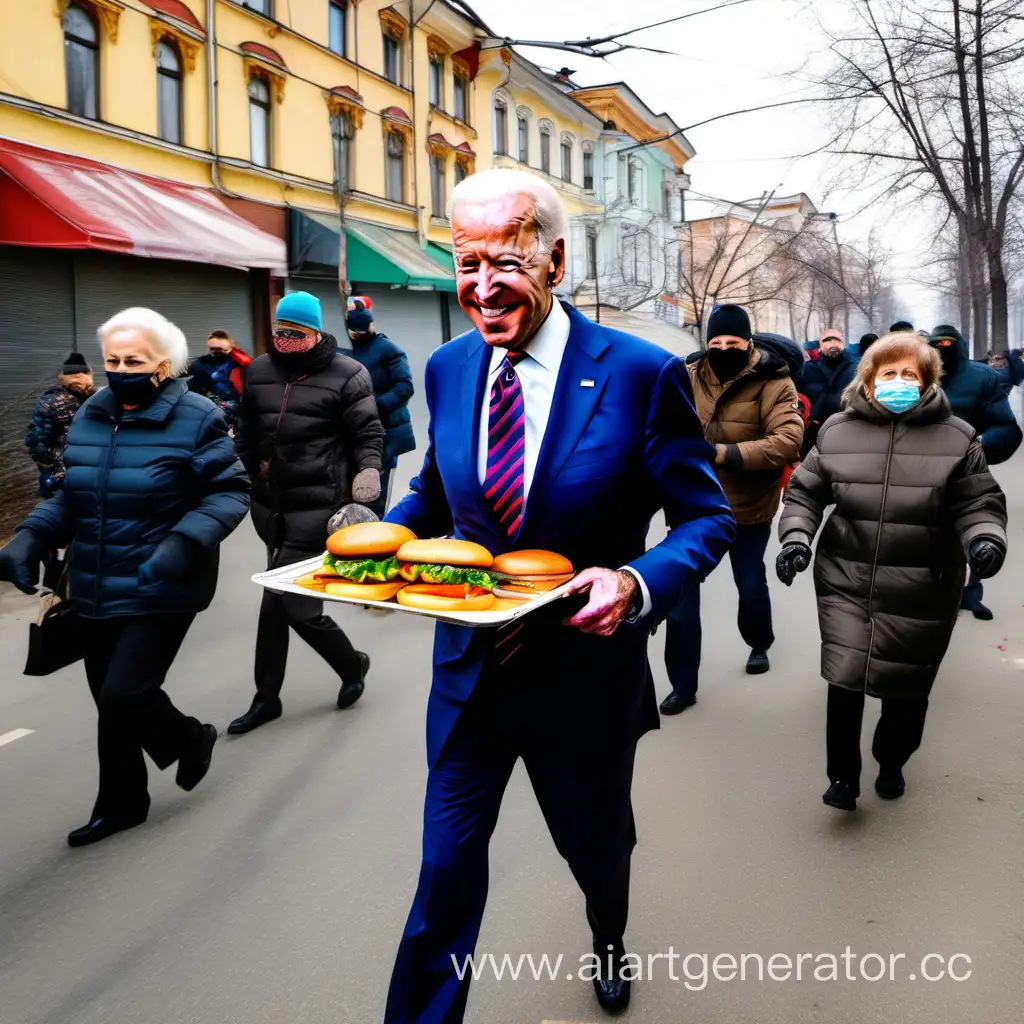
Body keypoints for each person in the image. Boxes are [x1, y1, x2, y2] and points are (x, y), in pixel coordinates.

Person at [381, 169, 734, 1022]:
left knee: (595, 848)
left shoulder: (641, 375)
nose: (482, 285)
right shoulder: (449, 367)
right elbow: (436, 492)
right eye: (466, 263)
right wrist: (376, 541)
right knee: (446, 873)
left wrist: (635, 578)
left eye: (505, 260)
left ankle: (608, 930)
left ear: (556, 258)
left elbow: (705, 518)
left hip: (583, 678)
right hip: (470, 675)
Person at [0, 308, 250, 846]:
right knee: (108, 701)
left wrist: (184, 543)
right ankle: (121, 802)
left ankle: (189, 738)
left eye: (133, 360)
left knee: (123, 694)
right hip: (92, 578)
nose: (119, 369)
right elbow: (72, 493)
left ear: (164, 363)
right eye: (111, 359)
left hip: (165, 581)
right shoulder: (92, 410)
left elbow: (229, 492)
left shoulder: (199, 414)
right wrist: (29, 536)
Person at [777, 334, 1007, 811]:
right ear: (869, 378)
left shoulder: (958, 437)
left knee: (907, 687)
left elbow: (978, 503)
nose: (898, 382)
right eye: (889, 373)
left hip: (924, 582)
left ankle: (892, 760)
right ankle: (842, 777)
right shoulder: (836, 431)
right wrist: (796, 538)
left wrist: (984, 538)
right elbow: (804, 493)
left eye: (910, 374)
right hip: (846, 577)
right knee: (844, 678)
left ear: (927, 381)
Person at [228, 292, 385, 736]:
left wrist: (369, 472)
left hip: (320, 506)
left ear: (316, 332)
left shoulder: (348, 374)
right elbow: (246, 430)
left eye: (296, 333)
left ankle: (348, 664)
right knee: (274, 605)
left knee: (289, 602)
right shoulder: (257, 371)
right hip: (271, 507)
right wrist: (241, 473)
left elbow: (368, 432)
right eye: (280, 331)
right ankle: (270, 697)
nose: (286, 339)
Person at [661, 310, 804, 714]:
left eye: (733, 344)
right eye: (716, 344)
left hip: (748, 506)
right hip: (693, 505)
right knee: (682, 593)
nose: (724, 350)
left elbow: (787, 441)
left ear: (748, 342)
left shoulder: (775, 380)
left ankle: (759, 642)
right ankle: (682, 685)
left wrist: (721, 453)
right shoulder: (687, 374)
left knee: (750, 582)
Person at [927, 324, 1022, 620]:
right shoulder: (916, 373)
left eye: (948, 344)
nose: (943, 349)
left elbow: (1005, 427)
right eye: (936, 344)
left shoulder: (982, 378)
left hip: (966, 472)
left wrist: (978, 445)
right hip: (919, 470)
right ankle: (928, 595)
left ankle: (970, 594)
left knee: (970, 531)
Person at [344, 296, 416, 519]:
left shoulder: (388, 350)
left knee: (374, 497)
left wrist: (372, 407)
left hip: (387, 435)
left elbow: (405, 386)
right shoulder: (346, 352)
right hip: (356, 436)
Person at [25, 352, 95, 497]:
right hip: (75, 475)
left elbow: (37, 442)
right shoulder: (97, 400)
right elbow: (38, 443)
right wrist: (59, 468)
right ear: (88, 375)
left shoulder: (49, 401)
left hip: (73, 474)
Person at [797, 327, 859, 455]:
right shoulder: (808, 369)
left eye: (836, 339)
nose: (832, 343)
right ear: (820, 344)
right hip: (815, 429)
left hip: (848, 427)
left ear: (843, 343)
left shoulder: (857, 368)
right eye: (827, 340)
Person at [186, 329, 252, 430]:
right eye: (213, 349)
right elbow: (191, 390)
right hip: (207, 415)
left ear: (230, 348)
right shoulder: (199, 364)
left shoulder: (240, 363)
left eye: (220, 349)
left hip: (238, 418)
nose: (216, 352)